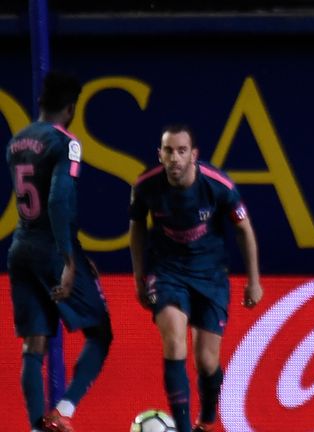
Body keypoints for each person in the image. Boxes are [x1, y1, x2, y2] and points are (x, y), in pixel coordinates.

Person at [128, 124, 264, 432]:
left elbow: (244, 230)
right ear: (159, 155)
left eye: (181, 151)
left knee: (206, 362)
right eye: (168, 151)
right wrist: (139, 277)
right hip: (167, 273)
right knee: (175, 343)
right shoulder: (145, 186)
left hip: (211, 276)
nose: (174, 158)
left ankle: (208, 416)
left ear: (194, 155)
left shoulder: (219, 186)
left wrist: (253, 280)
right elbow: (136, 227)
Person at [6, 72, 113, 432]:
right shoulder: (66, 143)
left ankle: (38, 426)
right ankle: (64, 410)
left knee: (33, 347)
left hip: (21, 248)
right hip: (53, 251)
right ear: (71, 109)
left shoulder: (17, 140)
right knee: (101, 333)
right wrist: (70, 259)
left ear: (40, 102)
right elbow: (58, 200)